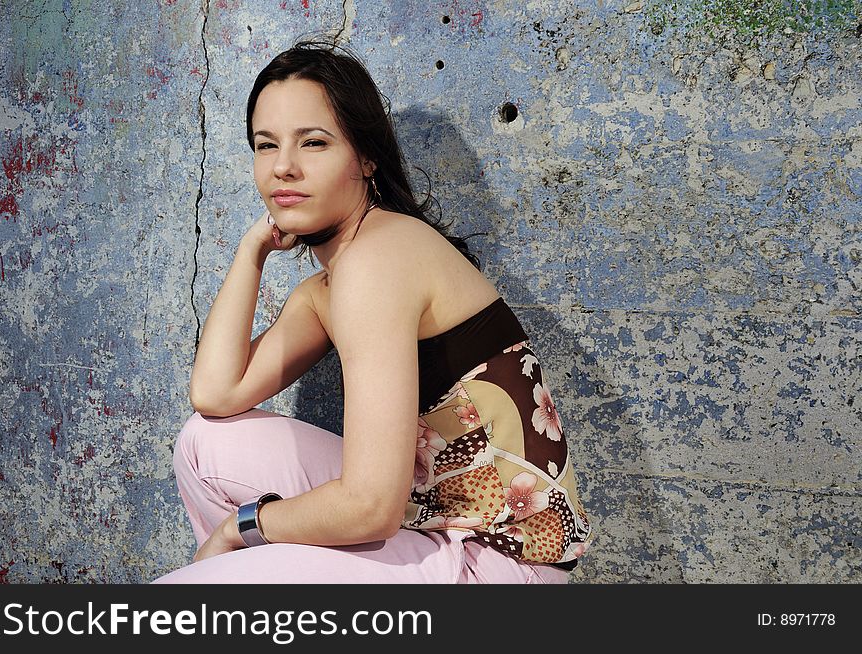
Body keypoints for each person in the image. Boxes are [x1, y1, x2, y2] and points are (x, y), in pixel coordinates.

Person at [153, 39, 593, 584]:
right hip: (430, 519)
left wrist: (241, 528)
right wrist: (252, 252)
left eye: (312, 143)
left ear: (365, 156)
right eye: (266, 146)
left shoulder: (379, 260)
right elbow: (216, 395)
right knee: (203, 444)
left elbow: (370, 508)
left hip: (499, 565)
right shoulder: (330, 285)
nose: (283, 167)